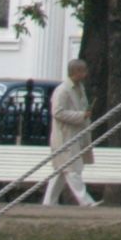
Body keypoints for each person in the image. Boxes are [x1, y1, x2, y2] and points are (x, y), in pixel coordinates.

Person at [43, 59, 98, 207]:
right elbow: (58, 112)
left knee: (61, 170)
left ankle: (49, 202)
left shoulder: (80, 88)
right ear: (76, 72)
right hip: (64, 136)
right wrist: (80, 116)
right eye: (83, 71)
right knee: (73, 169)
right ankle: (86, 202)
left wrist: (85, 114)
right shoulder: (62, 90)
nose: (86, 74)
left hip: (76, 135)